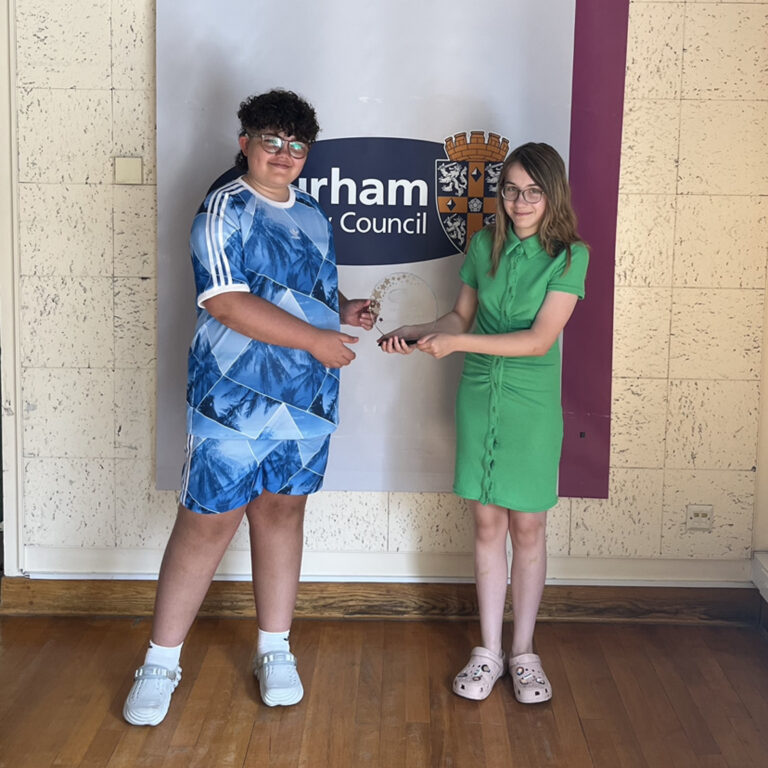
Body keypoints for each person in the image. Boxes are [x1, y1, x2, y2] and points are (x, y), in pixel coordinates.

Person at [123, 89, 373, 726]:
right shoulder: (222, 208)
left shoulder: (312, 211)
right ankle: (160, 662)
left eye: (297, 146)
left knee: (283, 512)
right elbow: (225, 301)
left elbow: (303, 288)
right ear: (245, 143)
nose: (284, 155)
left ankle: (274, 648)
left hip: (306, 396)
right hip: (230, 398)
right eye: (272, 141)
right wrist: (314, 338)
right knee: (207, 521)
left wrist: (340, 310)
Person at [380, 142, 588, 704]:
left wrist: (457, 344)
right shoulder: (482, 244)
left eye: (534, 192)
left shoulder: (571, 257)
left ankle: (524, 653)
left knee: (529, 527)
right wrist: (419, 332)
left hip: (531, 406)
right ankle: (489, 651)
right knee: (487, 525)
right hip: (478, 397)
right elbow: (459, 317)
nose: (521, 202)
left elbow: (538, 340)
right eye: (512, 190)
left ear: (553, 195)